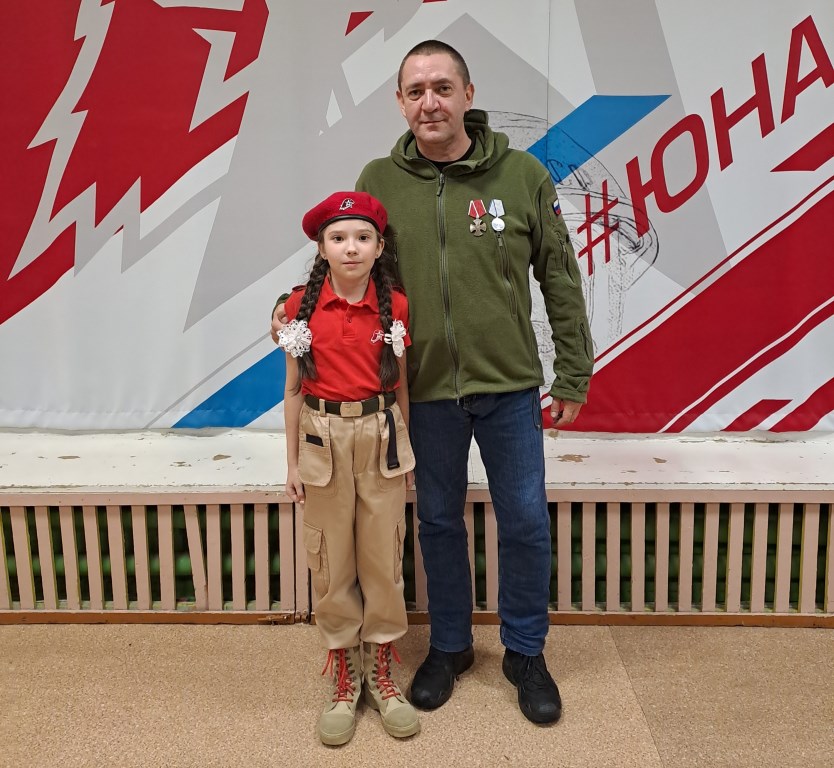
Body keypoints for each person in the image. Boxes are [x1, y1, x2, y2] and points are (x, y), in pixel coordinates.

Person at [273, 41, 593, 726]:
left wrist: (574, 371)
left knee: (525, 520)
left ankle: (525, 652)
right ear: (400, 103)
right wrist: (290, 307)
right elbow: (345, 264)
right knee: (438, 522)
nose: (430, 103)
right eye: (415, 91)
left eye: (443, 88)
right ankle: (450, 645)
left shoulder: (522, 175)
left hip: (508, 386)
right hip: (421, 392)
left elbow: (560, 277)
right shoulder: (379, 180)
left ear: (468, 95)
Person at [280, 190, 420, 746]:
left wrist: (406, 450)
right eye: (338, 238)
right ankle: (344, 677)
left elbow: (401, 385)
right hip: (323, 440)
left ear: (379, 246)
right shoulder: (298, 308)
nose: (351, 247)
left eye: (363, 237)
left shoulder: (396, 307)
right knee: (331, 560)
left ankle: (381, 672)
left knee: (383, 557)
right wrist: (291, 462)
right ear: (322, 249)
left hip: (380, 438)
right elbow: (294, 390)